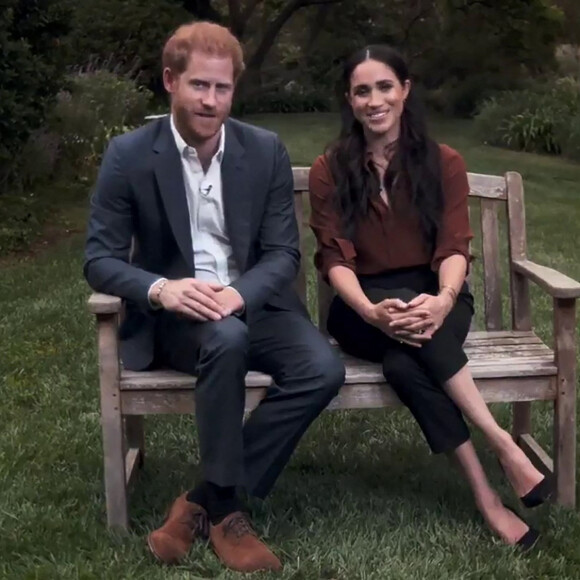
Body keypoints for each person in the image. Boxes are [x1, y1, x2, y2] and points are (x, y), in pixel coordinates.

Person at [84, 21, 345, 573]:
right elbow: (99, 259)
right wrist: (161, 288)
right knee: (224, 340)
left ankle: (202, 498)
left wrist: (239, 295)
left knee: (322, 368)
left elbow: (282, 253)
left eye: (222, 88)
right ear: (170, 82)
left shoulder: (264, 149)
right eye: (199, 85)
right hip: (179, 318)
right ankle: (228, 514)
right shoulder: (129, 155)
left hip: (253, 303)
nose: (210, 100)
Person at [308, 44, 553, 550]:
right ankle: (500, 442)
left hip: (437, 295)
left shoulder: (443, 162)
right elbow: (335, 260)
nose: (374, 100)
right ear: (349, 100)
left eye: (384, 87)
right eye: (361, 90)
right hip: (361, 309)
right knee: (402, 324)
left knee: (404, 364)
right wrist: (372, 313)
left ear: (405, 90)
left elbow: (454, 247)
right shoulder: (330, 168)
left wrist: (443, 299)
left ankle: (487, 495)